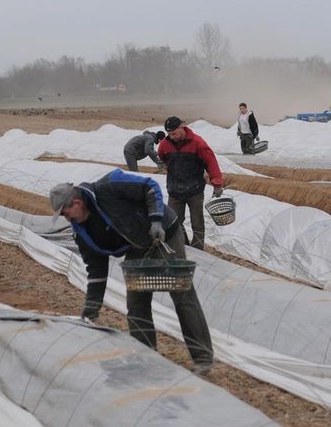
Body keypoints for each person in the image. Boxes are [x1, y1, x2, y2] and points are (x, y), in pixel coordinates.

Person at [49, 170, 214, 374]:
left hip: (164, 234)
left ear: (76, 203)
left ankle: (202, 358)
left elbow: (150, 187)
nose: (67, 219)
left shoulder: (109, 185)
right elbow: (96, 268)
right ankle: (146, 355)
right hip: (137, 245)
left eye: (65, 213)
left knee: (181, 291)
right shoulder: (82, 231)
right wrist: (92, 305)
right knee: (136, 300)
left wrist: (155, 220)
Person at [157, 116, 224, 250]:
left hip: (195, 190)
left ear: (181, 127)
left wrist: (217, 183)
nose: (172, 137)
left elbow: (210, 162)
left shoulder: (197, 142)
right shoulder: (164, 144)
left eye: (174, 133)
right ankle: (185, 247)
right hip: (175, 190)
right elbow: (162, 157)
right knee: (174, 222)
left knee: (197, 223)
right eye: (169, 134)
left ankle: (198, 250)